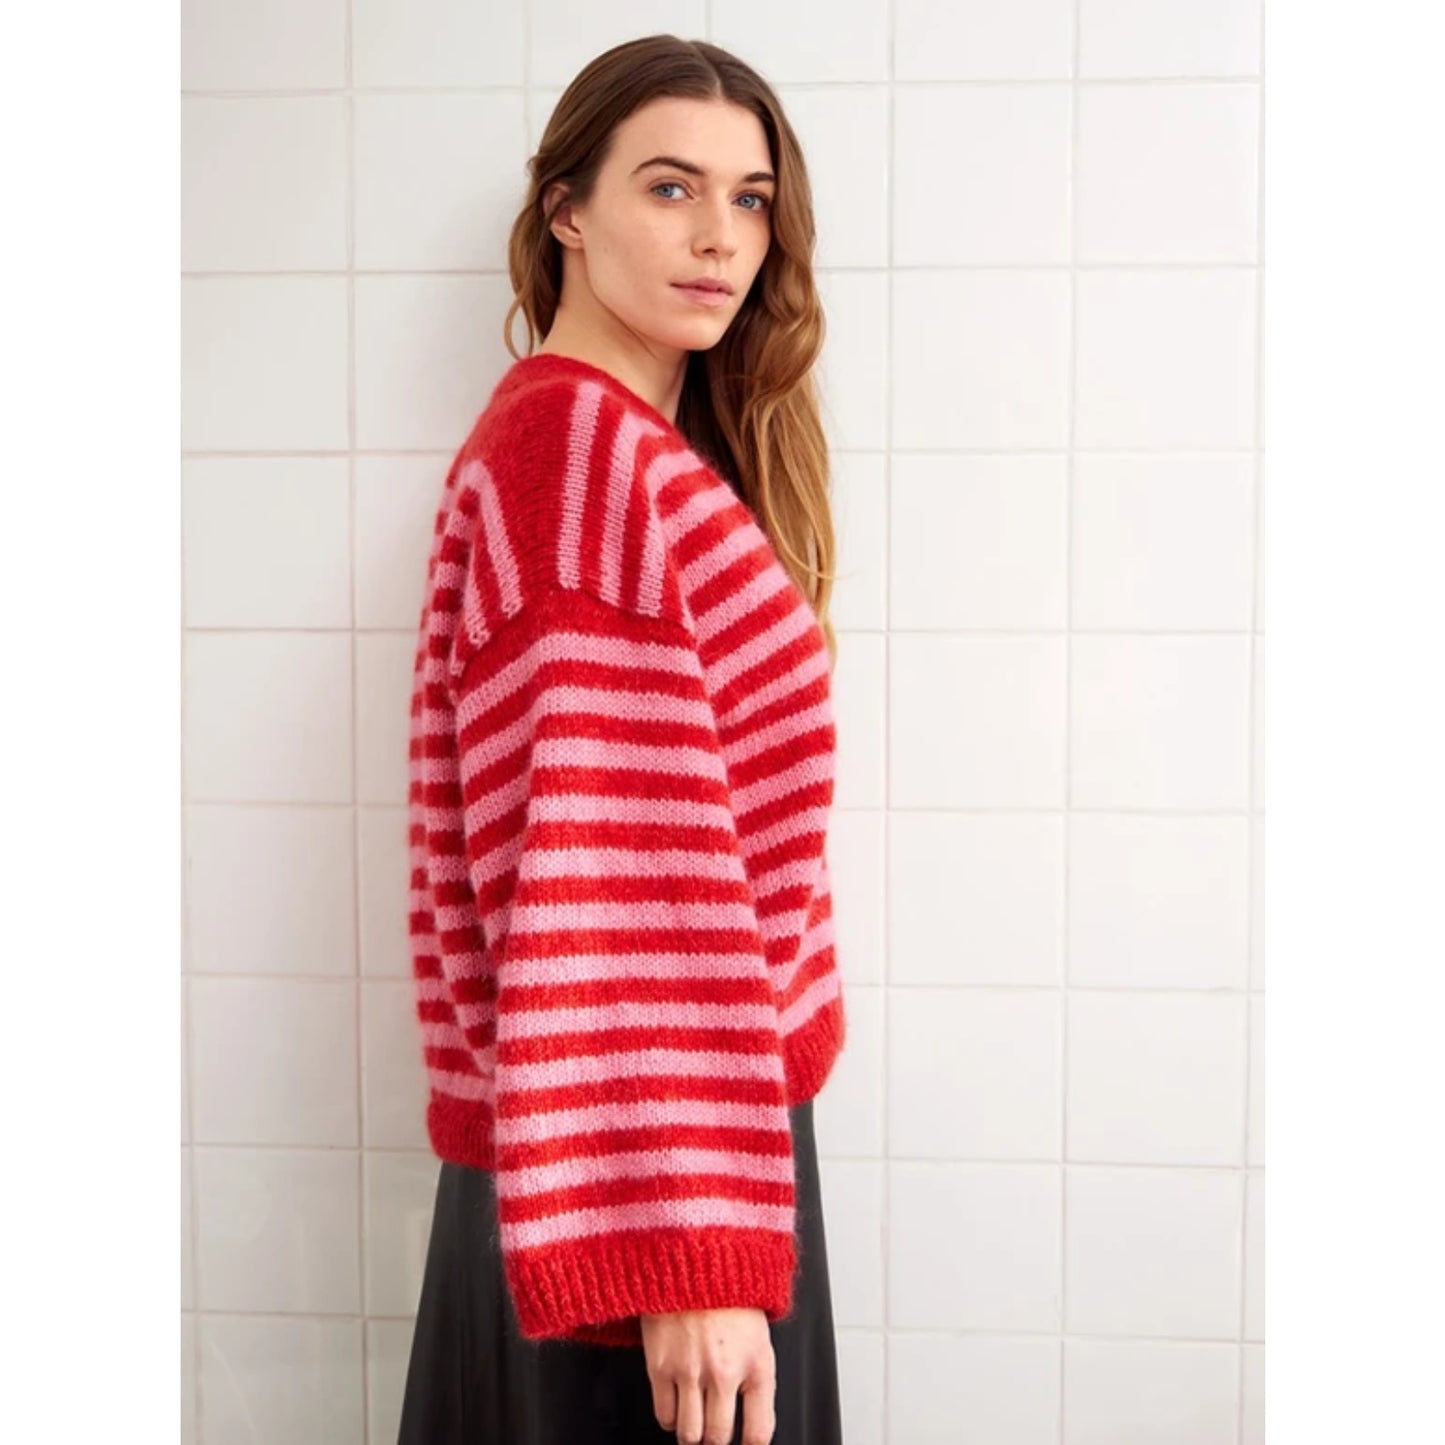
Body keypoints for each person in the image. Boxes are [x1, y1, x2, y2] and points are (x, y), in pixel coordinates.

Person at [398, 32, 847, 1445]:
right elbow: (614, 876)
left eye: (750, 198)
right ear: (567, 213)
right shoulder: (581, 461)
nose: (720, 237)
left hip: (624, 1139)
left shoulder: (597, 450)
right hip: (647, 1186)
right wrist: (682, 1250)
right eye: (669, 187)